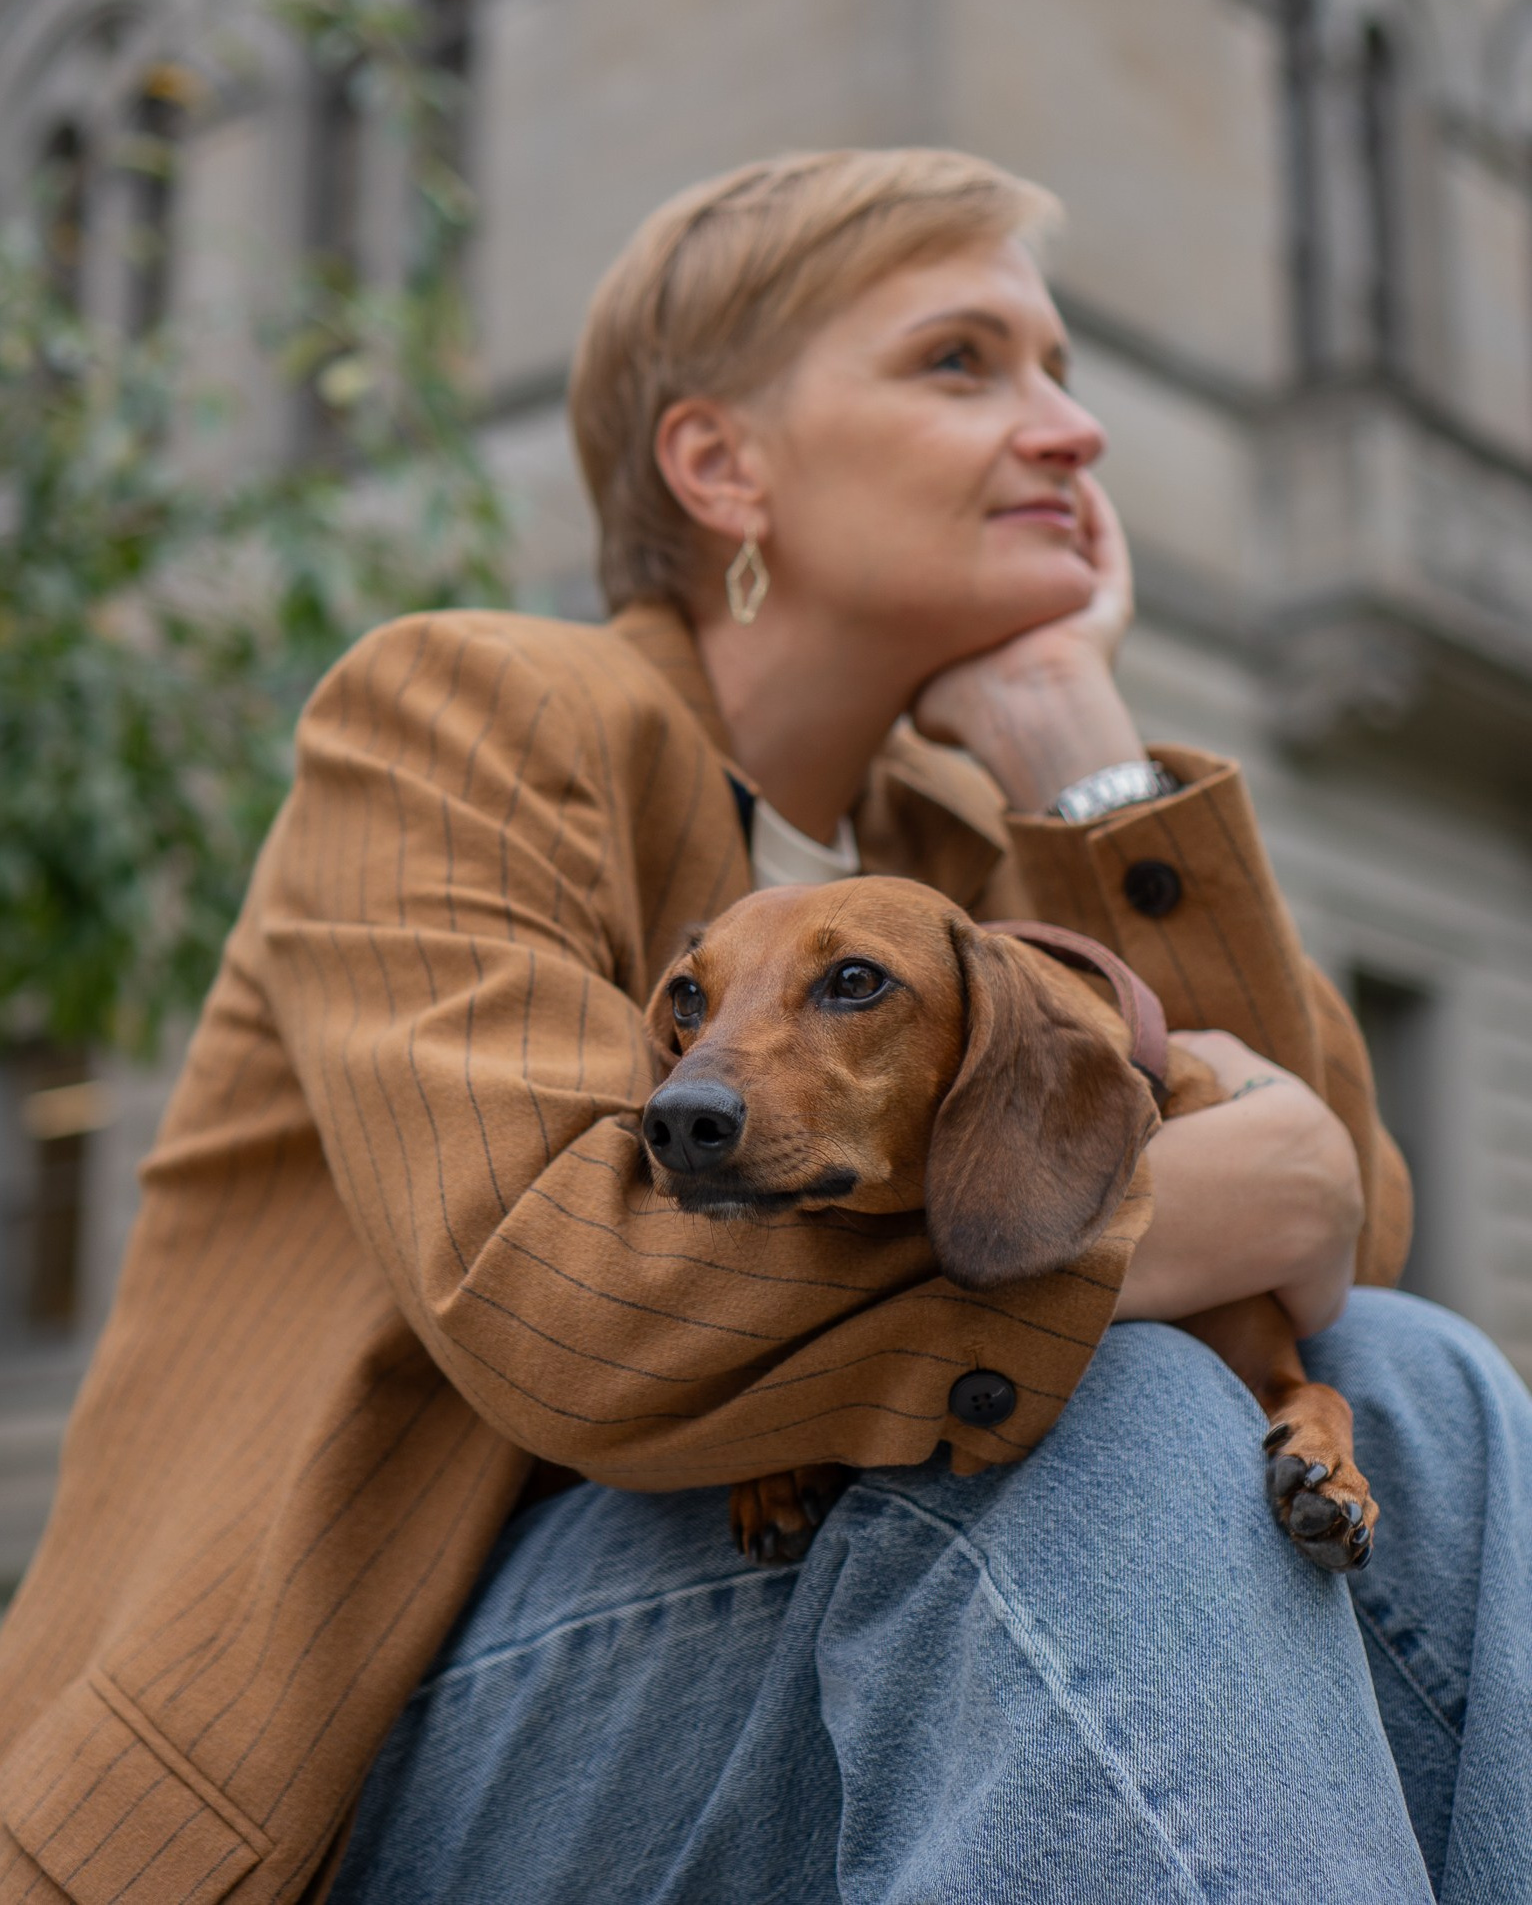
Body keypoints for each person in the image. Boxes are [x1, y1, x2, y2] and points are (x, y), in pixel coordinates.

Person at [0, 151, 1527, 1905]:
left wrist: (1074, 752)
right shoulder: (468, 713)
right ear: (723, 465)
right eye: (963, 362)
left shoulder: (952, 852)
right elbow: (561, 1294)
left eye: (1060, 370)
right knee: (1109, 1419)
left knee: (1429, 1394)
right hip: (371, 1737)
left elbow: (1340, 1248)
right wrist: (1154, 1222)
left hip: (737, 1626)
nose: (1070, 429)